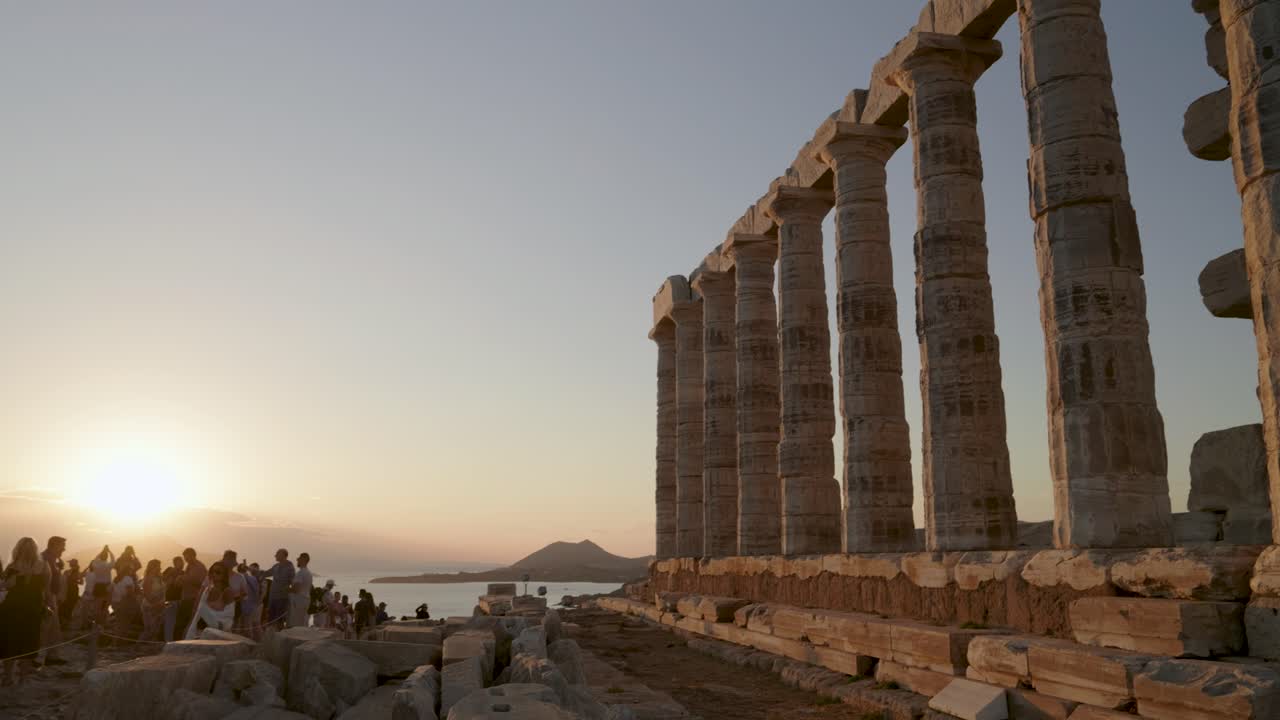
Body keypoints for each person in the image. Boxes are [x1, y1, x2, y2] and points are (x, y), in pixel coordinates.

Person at [0, 538, 51, 686]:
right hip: (32, 608)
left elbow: (6, 586)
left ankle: (8, 677)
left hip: (12, 607)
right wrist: (47, 607)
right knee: (29, 642)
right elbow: (46, 591)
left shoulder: (13, 566)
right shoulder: (44, 566)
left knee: (9, 642)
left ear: (18, 549)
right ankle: (23, 678)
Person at [184, 561, 235, 638]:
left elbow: (229, 615)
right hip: (202, 630)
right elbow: (197, 612)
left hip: (218, 630)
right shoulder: (207, 590)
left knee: (202, 608)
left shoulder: (227, 591)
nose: (214, 574)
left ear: (224, 575)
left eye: (218, 572)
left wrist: (218, 623)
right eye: (212, 571)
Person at [38, 536, 67, 665]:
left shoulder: (52, 559)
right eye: (62, 546)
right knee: (45, 628)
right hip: (47, 597)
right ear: (54, 545)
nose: (64, 549)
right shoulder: (44, 558)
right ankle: (37, 657)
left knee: (54, 628)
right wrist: (47, 598)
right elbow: (42, 580)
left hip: (52, 596)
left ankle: (51, 656)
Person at [175, 548, 206, 640]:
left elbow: (202, 584)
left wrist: (185, 579)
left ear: (192, 555)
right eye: (184, 557)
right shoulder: (189, 566)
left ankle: (182, 641)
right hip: (186, 597)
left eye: (186, 556)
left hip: (193, 599)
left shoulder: (199, 567)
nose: (185, 559)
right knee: (181, 623)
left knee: (186, 623)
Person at [86, 545, 115, 627]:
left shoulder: (96, 565)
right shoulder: (108, 566)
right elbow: (113, 560)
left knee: (97, 607)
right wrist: (109, 551)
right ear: (106, 558)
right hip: (106, 586)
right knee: (105, 606)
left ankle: (97, 623)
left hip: (98, 586)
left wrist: (101, 551)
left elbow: (95, 559)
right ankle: (103, 622)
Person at [110, 564, 140, 638]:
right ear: (128, 570)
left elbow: (110, 590)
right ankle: (121, 639)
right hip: (124, 602)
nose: (133, 571)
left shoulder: (117, 579)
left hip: (114, 601)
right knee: (125, 623)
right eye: (131, 570)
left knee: (119, 622)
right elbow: (129, 592)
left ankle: (117, 640)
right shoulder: (128, 578)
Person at [266, 549, 294, 629]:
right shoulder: (276, 566)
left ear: (283, 555)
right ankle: (270, 638)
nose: (275, 555)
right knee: (270, 619)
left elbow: (293, 582)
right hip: (272, 597)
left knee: (280, 620)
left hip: (282, 598)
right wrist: (251, 569)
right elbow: (265, 573)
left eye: (277, 554)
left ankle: (279, 637)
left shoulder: (290, 567)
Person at [140, 560, 166, 641]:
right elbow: (147, 594)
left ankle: (151, 645)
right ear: (152, 567)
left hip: (160, 606)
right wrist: (155, 605)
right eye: (158, 566)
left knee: (156, 629)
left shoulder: (159, 577)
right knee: (149, 629)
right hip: (150, 606)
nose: (160, 568)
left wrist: (162, 603)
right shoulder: (148, 578)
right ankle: (139, 644)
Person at [161, 556, 184, 642]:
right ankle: (168, 641)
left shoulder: (183, 573)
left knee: (176, 623)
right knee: (169, 622)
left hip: (180, 600)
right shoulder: (170, 570)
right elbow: (163, 580)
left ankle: (174, 640)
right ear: (175, 563)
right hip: (170, 600)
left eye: (182, 562)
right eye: (180, 562)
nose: (182, 564)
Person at [237, 562, 262, 639]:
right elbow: (257, 591)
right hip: (251, 605)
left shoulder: (241, 578)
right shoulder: (252, 578)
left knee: (247, 627)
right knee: (252, 626)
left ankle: (250, 644)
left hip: (247, 606)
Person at [289, 553, 313, 628]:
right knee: (303, 622)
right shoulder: (308, 573)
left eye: (299, 558)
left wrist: (285, 589)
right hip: (305, 599)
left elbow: (296, 589)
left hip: (299, 600)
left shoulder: (301, 573)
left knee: (296, 624)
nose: (297, 560)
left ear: (304, 560)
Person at [60, 558, 82, 627]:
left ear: (72, 564)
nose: (69, 564)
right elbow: (81, 582)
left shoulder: (67, 572)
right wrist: (76, 581)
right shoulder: (77, 572)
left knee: (68, 605)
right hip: (73, 589)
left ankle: (65, 622)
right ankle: (66, 622)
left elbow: (63, 581)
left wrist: (74, 581)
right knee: (70, 606)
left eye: (70, 563)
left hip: (70, 590)